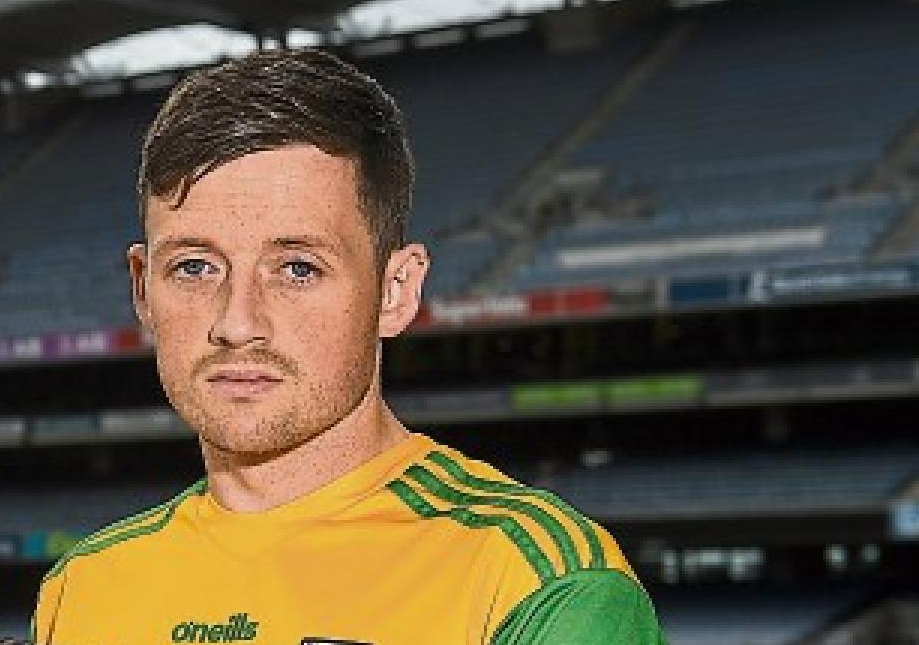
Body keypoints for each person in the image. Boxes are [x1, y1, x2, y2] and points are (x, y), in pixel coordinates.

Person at [32, 49, 668, 645]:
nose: (237, 323)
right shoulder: (83, 589)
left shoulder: (538, 584)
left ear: (395, 291)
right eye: (194, 267)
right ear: (143, 288)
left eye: (297, 268)